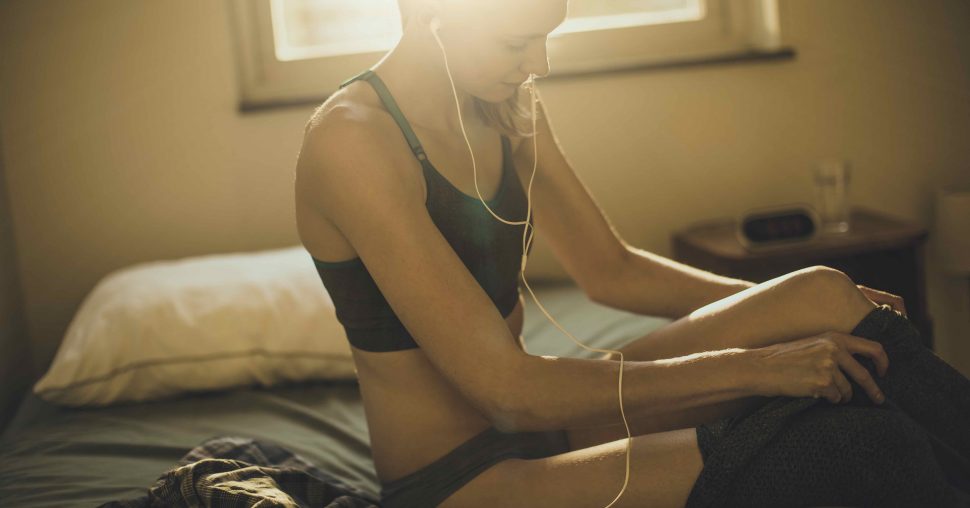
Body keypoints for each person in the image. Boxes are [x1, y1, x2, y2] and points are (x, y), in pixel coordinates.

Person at [293, 1, 970, 506]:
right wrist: (758, 368)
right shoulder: (354, 142)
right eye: (516, 42)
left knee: (822, 289)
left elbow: (609, 271)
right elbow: (509, 391)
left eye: (546, 38)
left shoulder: (505, 106)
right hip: (466, 476)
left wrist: (781, 311)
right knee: (848, 445)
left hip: (554, 421)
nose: (539, 65)